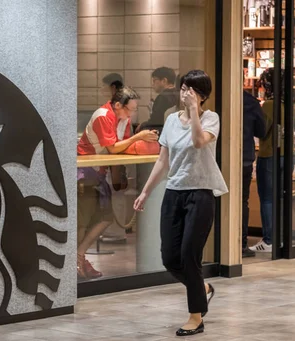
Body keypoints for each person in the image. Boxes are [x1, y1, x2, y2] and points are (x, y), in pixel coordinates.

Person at [133, 70, 228, 336]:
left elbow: (199, 142)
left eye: (191, 89)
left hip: (200, 193)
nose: (185, 93)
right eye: (183, 87)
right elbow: (163, 160)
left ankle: (195, 317)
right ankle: (204, 289)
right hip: (174, 193)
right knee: (170, 258)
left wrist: (195, 110)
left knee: (189, 256)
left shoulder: (211, 119)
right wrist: (145, 192)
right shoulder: (171, 120)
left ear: (202, 95)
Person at [77, 87, 159, 279]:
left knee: (104, 217)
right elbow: (114, 148)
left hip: (99, 173)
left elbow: (123, 147)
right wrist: (139, 137)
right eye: (128, 109)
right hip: (84, 173)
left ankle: (79, 255)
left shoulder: (123, 119)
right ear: (117, 105)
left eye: (133, 110)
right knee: (84, 221)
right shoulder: (103, 116)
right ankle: (78, 257)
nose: (131, 113)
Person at [249, 68, 285, 253]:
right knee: (280, 196)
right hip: (287, 155)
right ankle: (281, 237)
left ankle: (269, 240)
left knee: (267, 198)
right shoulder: (289, 104)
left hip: (269, 154)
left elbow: (261, 130)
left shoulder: (270, 105)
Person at [242, 90, 267, 258]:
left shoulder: (216, 96)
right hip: (244, 157)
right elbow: (262, 131)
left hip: (219, 158)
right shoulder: (250, 102)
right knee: (242, 202)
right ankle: (241, 243)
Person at [137, 67, 179, 133]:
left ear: (164, 81)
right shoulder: (178, 94)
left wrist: (142, 125)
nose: (152, 84)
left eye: (154, 80)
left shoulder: (162, 97)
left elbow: (155, 121)